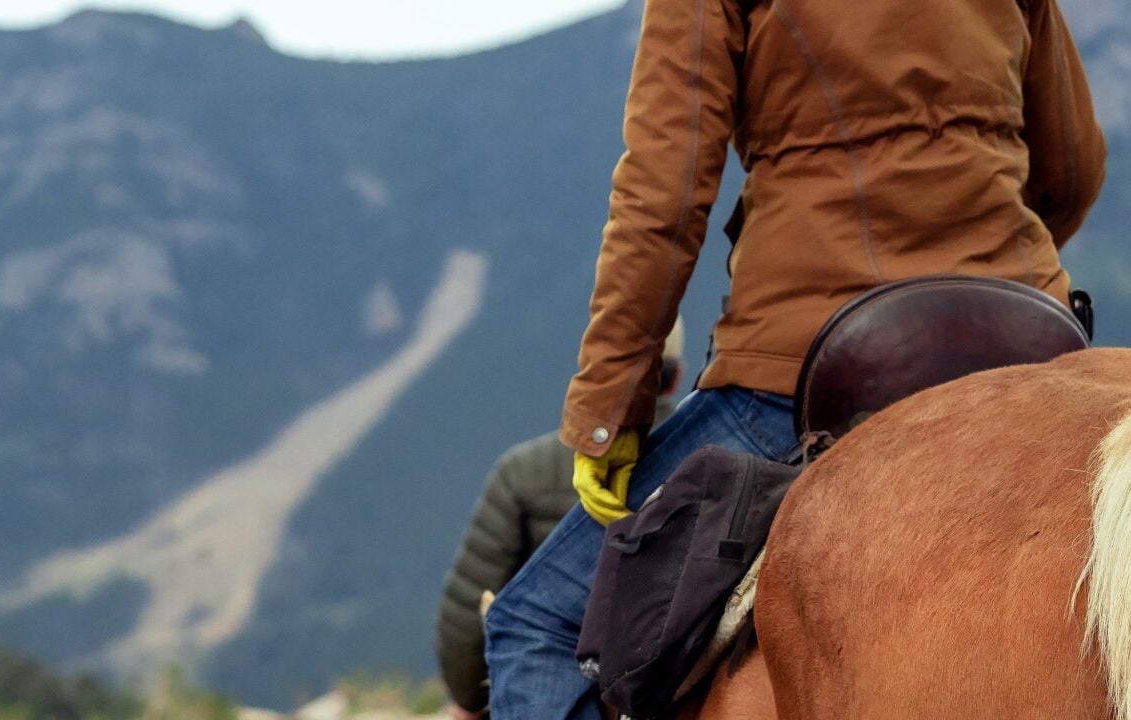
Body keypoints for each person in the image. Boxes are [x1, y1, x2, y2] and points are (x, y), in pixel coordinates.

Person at [483, 0, 1106, 715]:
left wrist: (609, 411)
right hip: (1023, 338)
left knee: (536, 624)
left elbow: (665, 197)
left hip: (806, 362)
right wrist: (980, 274)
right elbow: (1070, 168)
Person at [436, 320, 687, 719]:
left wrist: (469, 701)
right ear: (675, 380)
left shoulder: (522, 472)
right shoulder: (718, 462)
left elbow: (468, 611)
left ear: (592, 371)